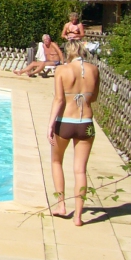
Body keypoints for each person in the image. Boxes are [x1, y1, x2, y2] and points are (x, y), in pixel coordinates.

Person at [48, 40, 101, 226]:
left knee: (56, 161)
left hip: (65, 122)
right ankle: (78, 217)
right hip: (85, 122)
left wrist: (50, 125)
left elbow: (58, 99)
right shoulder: (94, 70)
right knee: (80, 170)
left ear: (68, 52)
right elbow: (93, 97)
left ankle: (61, 205)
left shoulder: (62, 70)